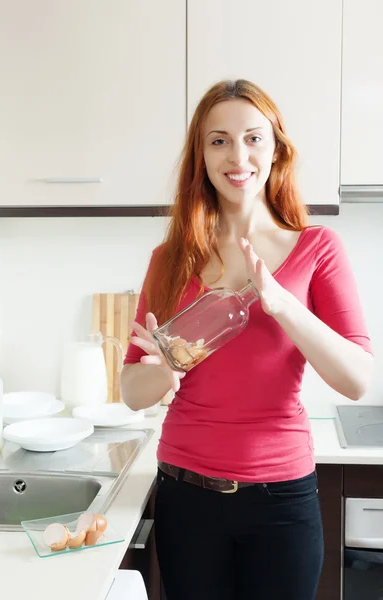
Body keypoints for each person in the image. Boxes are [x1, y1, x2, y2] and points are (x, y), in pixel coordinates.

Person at [121, 79, 374, 600]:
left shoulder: (317, 248)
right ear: (201, 155)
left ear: (276, 148)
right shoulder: (170, 260)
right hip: (185, 493)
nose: (238, 155)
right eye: (219, 140)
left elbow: (357, 380)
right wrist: (170, 362)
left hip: (281, 499)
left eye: (253, 138)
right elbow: (130, 392)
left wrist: (281, 304)